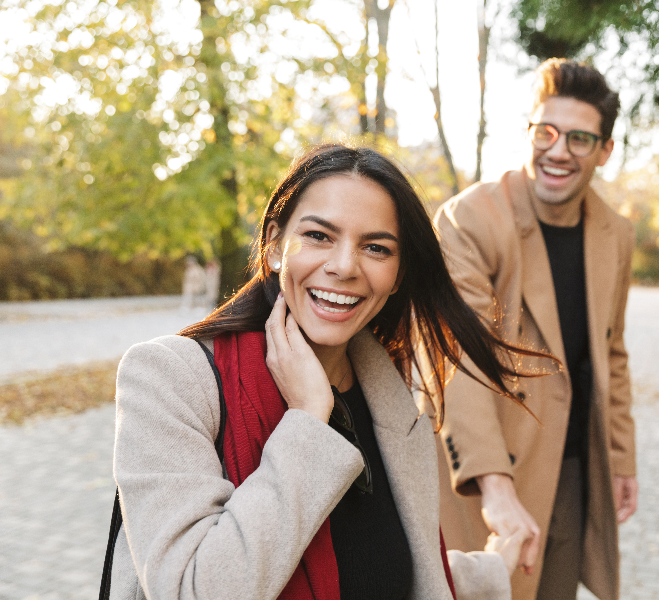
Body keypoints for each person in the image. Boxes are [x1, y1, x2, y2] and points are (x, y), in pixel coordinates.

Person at [108, 144, 549, 599]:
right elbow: (192, 590)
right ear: (275, 245)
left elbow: (377, 566)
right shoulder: (171, 379)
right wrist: (307, 420)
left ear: (397, 275)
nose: (343, 266)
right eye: (319, 236)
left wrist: (490, 570)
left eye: (376, 248)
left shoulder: (390, 397)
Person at [430, 59, 637, 600]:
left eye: (578, 138)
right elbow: (458, 354)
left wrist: (620, 461)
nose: (558, 150)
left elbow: (611, 351)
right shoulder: (468, 220)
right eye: (545, 131)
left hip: (572, 468)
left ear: (604, 150)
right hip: (489, 465)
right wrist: (495, 488)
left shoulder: (617, 233)